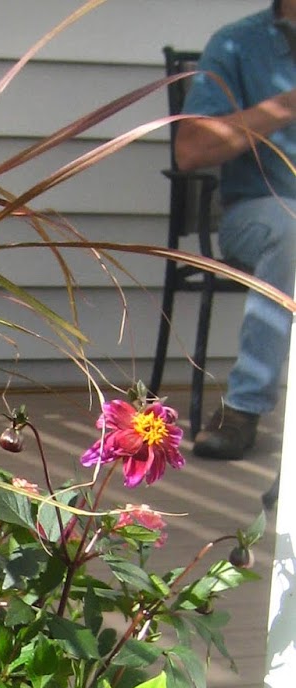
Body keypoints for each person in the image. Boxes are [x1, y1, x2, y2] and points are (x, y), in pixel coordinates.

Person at [176, 0, 296, 460]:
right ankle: (245, 406)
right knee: (290, 229)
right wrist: (285, 105)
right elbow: (190, 149)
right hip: (259, 211)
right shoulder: (238, 44)